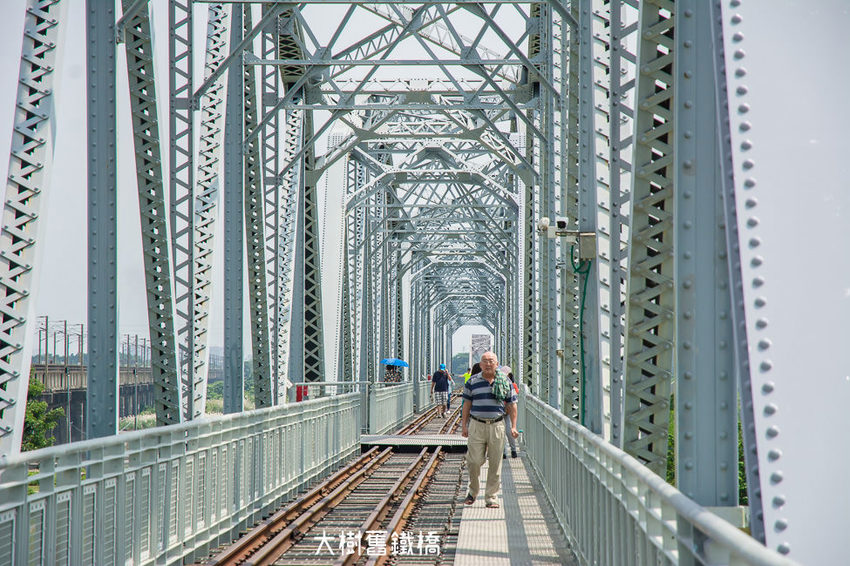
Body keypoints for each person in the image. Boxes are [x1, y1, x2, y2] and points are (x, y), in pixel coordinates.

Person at [461, 352, 518, 508]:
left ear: (496, 363)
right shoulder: (472, 381)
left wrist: (513, 426)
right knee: (473, 461)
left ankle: (491, 497)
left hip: (497, 425)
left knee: (495, 463)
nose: (488, 364)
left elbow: (513, 405)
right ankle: (473, 492)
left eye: (491, 361)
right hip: (477, 425)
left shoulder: (505, 381)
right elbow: (466, 404)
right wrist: (464, 425)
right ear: (480, 365)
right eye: (485, 361)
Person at [500, 367, 519, 459]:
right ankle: (505, 451)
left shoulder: (510, 383)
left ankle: (512, 450)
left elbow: (513, 400)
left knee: (506, 431)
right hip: (502, 412)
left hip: (505, 412)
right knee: (504, 432)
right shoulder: (508, 382)